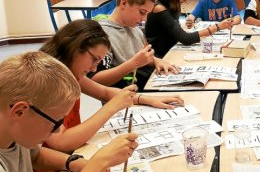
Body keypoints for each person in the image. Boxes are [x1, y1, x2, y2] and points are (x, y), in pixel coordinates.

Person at [39, 19, 183, 153]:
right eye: (94, 60)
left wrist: (147, 99)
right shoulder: (46, 80)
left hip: (74, 152)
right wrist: (112, 107)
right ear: (74, 48)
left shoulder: (70, 71)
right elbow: (60, 142)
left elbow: (105, 92)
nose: (94, 69)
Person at [0, 51, 137, 172]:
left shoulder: (15, 134)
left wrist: (72, 162)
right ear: (19, 112)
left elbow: (35, 156)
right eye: (56, 122)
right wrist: (100, 162)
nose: (57, 131)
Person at [92, 0, 178, 89]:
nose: (145, 19)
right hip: (124, 96)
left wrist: (156, 60)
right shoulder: (102, 35)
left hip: (143, 86)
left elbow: (144, 57)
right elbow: (96, 80)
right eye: (142, 12)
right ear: (124, 3)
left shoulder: (135, 29)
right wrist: (134, 63)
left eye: (147, 14)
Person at [145, 0, 232, 58]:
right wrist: (217, 27)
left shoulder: (171, 4)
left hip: (172, 51)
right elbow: (185, 39)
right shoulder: (159, 8)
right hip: (162, 57)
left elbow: (175, 32)